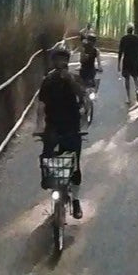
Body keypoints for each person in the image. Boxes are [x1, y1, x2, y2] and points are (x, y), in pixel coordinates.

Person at [36, 41, 90, 218]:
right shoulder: (48, 81)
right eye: (58, 59)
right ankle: (51, 184)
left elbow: (83, 96)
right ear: (53, 61)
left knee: (74, 166)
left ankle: (75, 200)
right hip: (52, 127)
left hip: (71, 126)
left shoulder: (73, 78)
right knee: (48, 160)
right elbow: (41, 105)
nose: (61, 62)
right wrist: (39, 126)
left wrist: (69, 80)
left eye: (64, 59)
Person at [117, 23, 138, 105]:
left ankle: (128, 97)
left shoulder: (124, 38)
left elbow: (120, 52)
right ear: (133, 30)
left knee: (127, 79)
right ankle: (137, 90)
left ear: (127, 30)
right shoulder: (137, 38)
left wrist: (118, 63)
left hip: (126, 61)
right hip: (134, 61)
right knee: (135, 77)